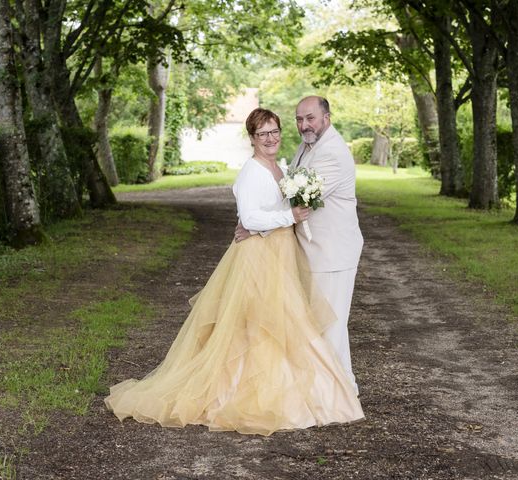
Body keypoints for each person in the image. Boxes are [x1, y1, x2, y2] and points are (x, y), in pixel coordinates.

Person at [105, 108, 364, 436]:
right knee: (258, 324)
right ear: (252, 138)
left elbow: (271, 209)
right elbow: (253, 218)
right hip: (259, 256)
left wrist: (283, 215)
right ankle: (243, 392)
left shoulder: (280, 166)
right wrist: (286, 218)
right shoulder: (251, 172)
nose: (270, 139)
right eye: (262, 134)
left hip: (280, 252)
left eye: (274, 131)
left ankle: (292, 386)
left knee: (284, 322)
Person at [236, 96, 363, 393]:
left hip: (331, 252)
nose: (304, 125)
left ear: (327, 117)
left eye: (310, 118)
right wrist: (252, 217)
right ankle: (326, 390)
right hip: (310, 250)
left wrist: (254, 223)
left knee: (330, 324)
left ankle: (340, 391)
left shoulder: (331, 152)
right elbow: (282, 193)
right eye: (299, 119)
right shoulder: (307, 147)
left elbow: (300, 199)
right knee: (317, 323)